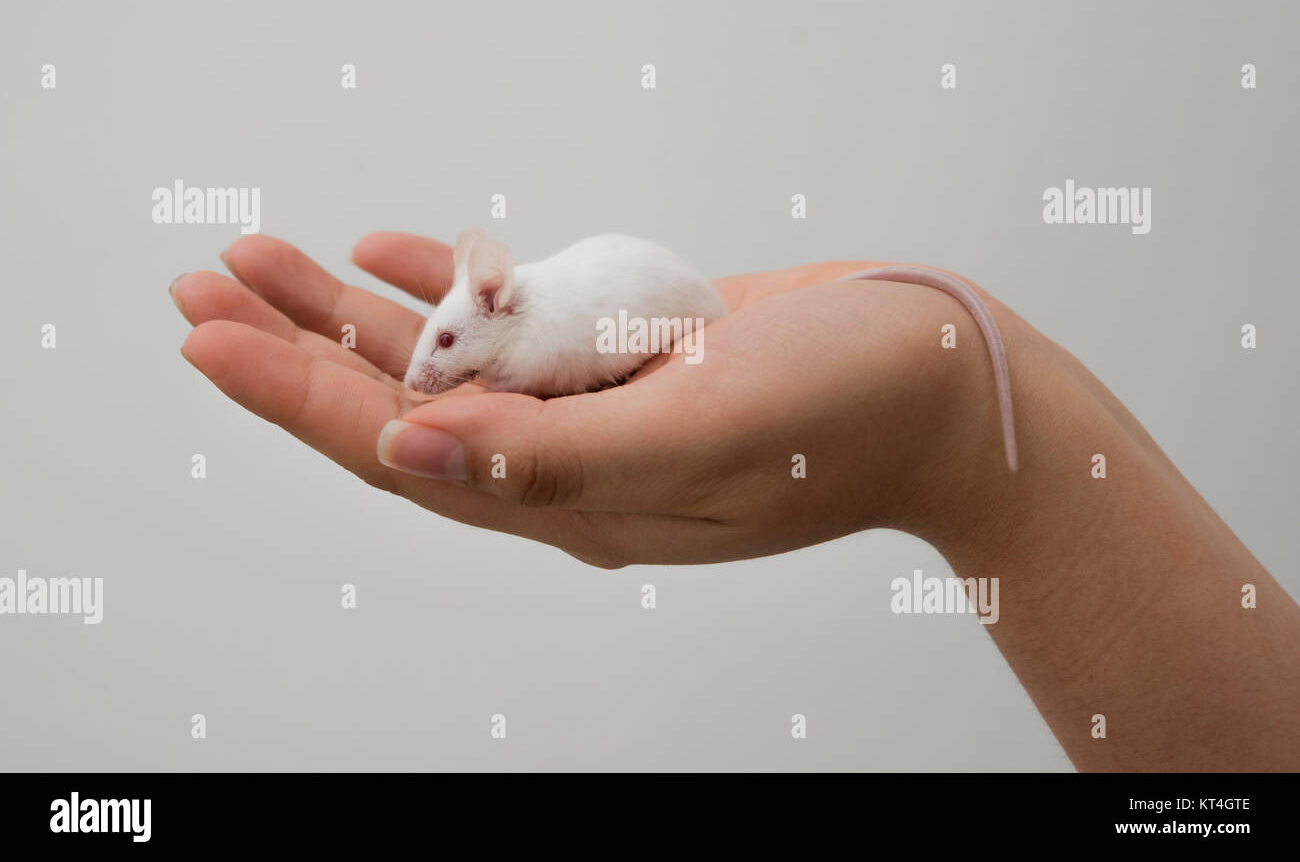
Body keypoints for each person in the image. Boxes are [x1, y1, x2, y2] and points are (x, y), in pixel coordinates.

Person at [170, 232, 1300, 772]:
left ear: (496, 310)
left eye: (449, 341)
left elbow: (557, 365)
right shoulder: (504, 321)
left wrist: (949, 404)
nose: (428, 362)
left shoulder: (535, 332)